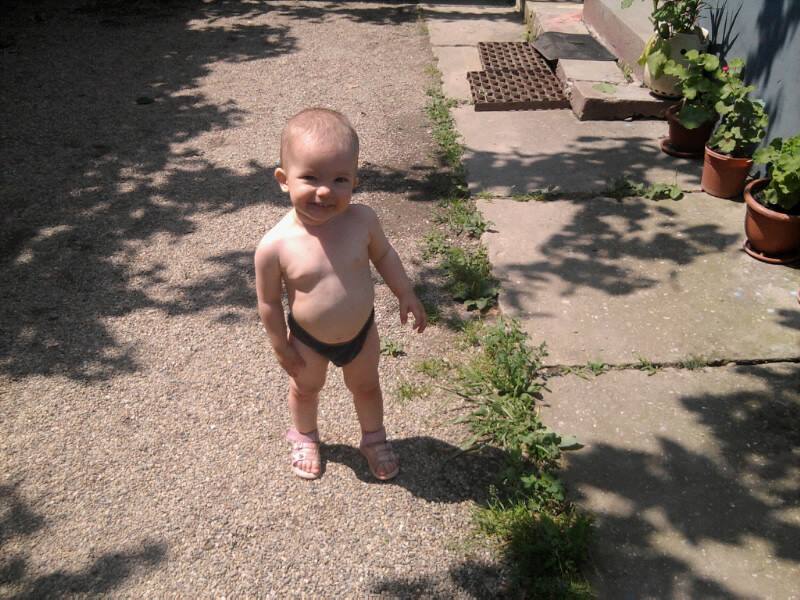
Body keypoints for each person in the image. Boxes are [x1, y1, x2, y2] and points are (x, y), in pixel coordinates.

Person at [254, 108, 426, 481]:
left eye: (339, 179)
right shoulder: (275, 245)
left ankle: (373, 438)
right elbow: (268, 302)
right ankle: (305, 436)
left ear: (355, 181)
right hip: (308, 339)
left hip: (361, 332)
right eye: (310, 177)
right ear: (283, 180)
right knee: (305, 389)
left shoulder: (363, 220)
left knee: (367, 386)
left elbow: (384, 255)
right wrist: (280, 346)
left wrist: (405, 292)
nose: (324, 191)